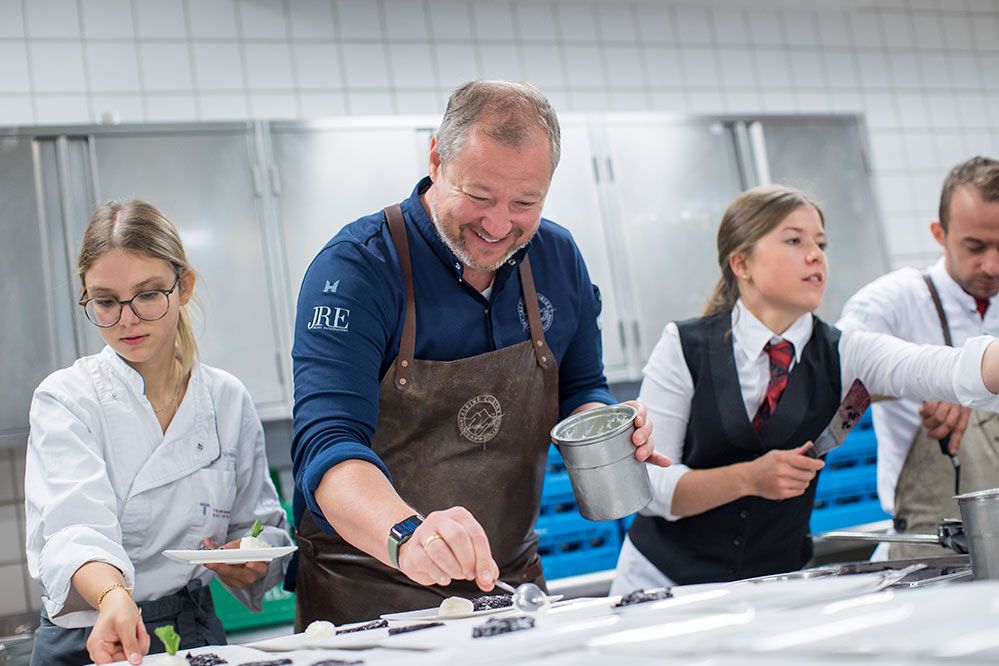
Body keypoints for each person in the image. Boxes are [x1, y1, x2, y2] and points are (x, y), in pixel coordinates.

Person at [290, 80, 662, 625]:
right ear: (437, 158)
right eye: (480, 197)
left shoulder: (557, 258)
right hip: (368, 594)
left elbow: (582, 389)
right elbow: (328, 445)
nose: (496, 225)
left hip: (509, 584)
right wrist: (408, 536)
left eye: (524, 203)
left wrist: (606, 426)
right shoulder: (357, 270)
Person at [612, 184, 999, 593]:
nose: (816, 255)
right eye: (794, 240)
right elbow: (652, 487)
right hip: (660, 583)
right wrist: (749, 478)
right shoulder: (684, 346)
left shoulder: (846, 351)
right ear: (741, 263)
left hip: (774, 586)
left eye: (821, 243)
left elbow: (950, 367)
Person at [25, 200, 292, 666]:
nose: (126, 319)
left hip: (192, 628)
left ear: (184, 286)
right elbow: (74, 530)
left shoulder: (227, 400)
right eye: (106, 301)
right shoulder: (67, 398)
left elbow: (260, 526)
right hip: (91, 635)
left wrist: (252, 563)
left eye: (148, 294)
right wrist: (112, 596)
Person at [838, 156, 999, 558]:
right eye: (975, 247)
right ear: (939, 234)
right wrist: (941, 380)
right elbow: (830, 383)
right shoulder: (893, 302)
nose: (992, 265)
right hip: (939, 541)